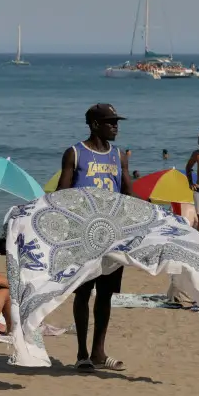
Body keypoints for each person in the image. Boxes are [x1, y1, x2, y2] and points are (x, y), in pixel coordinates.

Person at [57, 103, 132, 371]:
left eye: (116, 121)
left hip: (112, 236)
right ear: (94, 124)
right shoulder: (75, 154)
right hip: (82, 236)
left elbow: (127, 196)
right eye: (110, 121)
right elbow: (60, 196)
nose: (116, 126)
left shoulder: (119, 156)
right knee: (84, 291)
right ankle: (82, 353)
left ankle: (99, 352)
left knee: (106, 295)